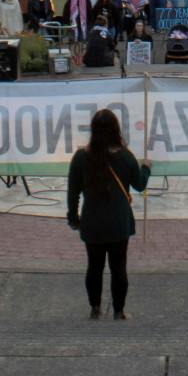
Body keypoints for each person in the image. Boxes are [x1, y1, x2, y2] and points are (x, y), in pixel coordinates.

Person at [67, 108, 150, 320]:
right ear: (116, 130)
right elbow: (139, 185)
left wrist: (74, 219)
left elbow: (73, 192)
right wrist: (147, 167)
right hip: (118, 223)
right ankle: (119, 311)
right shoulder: (125, 157)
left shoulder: (80, 157)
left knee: (94, 267)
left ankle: (95, 308)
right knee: (118, 268)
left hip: (92, 222)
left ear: (93, 130)